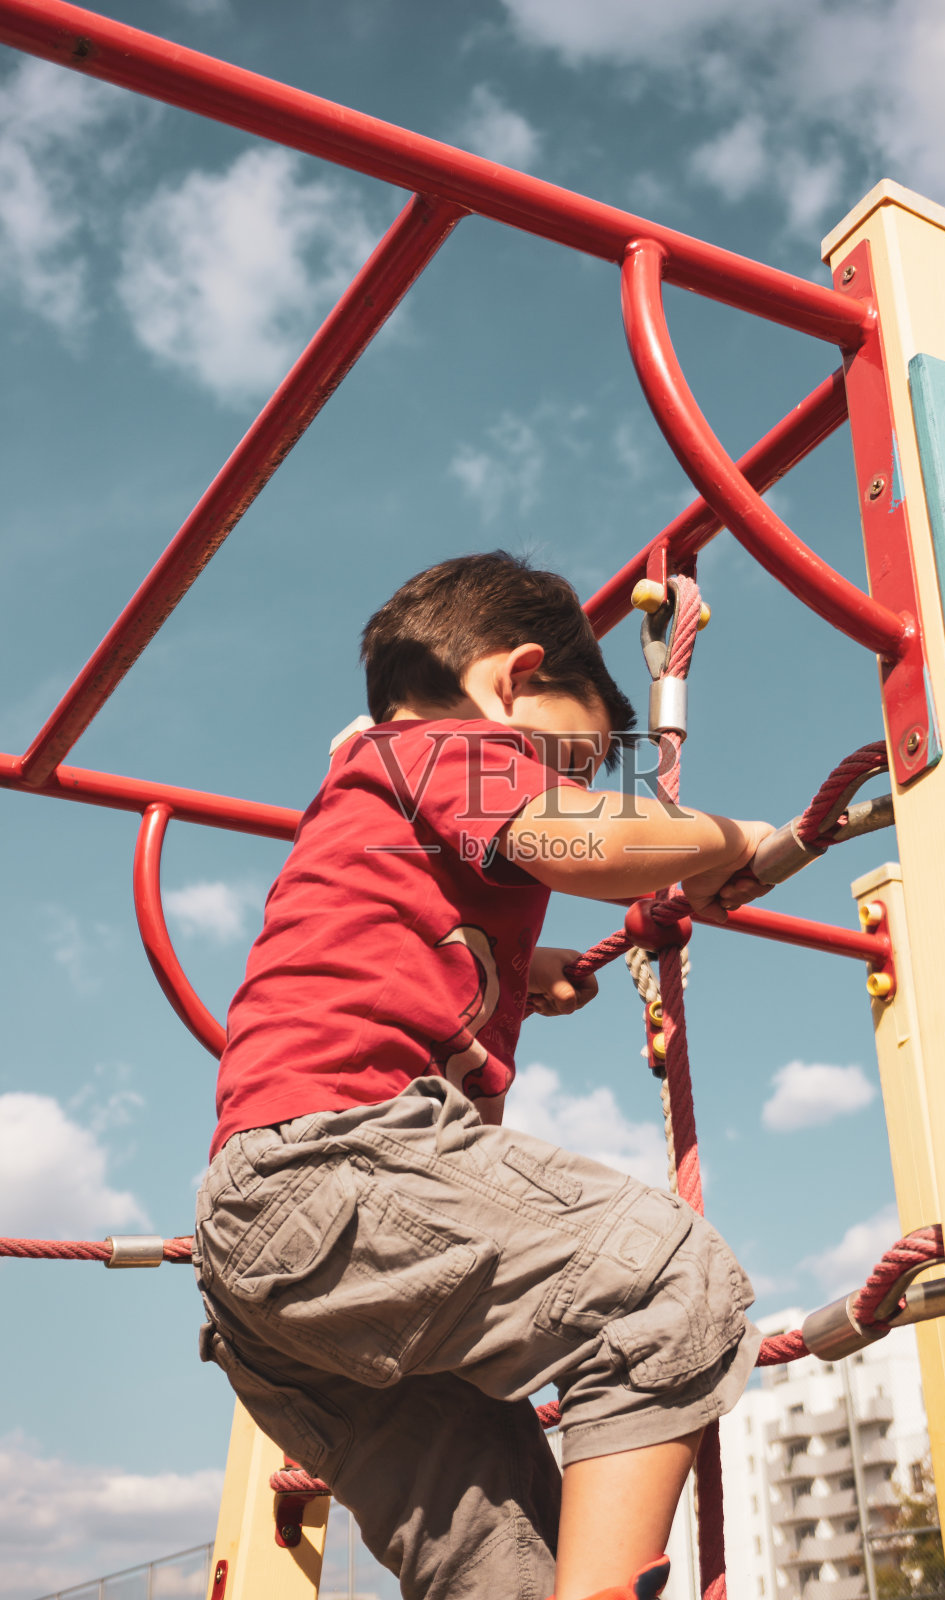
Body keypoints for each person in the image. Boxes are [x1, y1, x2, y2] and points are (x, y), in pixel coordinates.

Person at [194, 552, 773, 1600]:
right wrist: (727, 840)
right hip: (343, 1172)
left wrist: (524, 967)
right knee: (663, 1279)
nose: (576, 781)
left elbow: (395, 925)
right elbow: (580, 842)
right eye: (576, 757)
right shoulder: (447, 742)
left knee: (503, 1561)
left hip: (280, 1288)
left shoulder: (376, 788)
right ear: (514, 680)